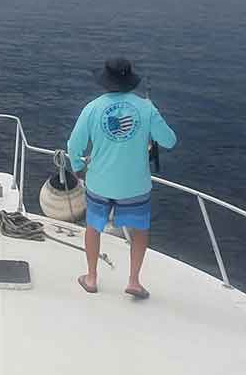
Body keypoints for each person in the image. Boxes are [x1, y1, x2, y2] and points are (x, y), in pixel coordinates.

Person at [67, 58, 177, 299]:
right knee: (139, 231)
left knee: (93, 227)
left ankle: (92, 277)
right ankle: (134, 282)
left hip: (99, 182)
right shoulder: (147, 108)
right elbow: (169, 140)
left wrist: (77, 167)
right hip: (135, 185)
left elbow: (74, 145)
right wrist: (153, 116)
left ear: (106, 81)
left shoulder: (93, 108)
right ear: (130, 81)